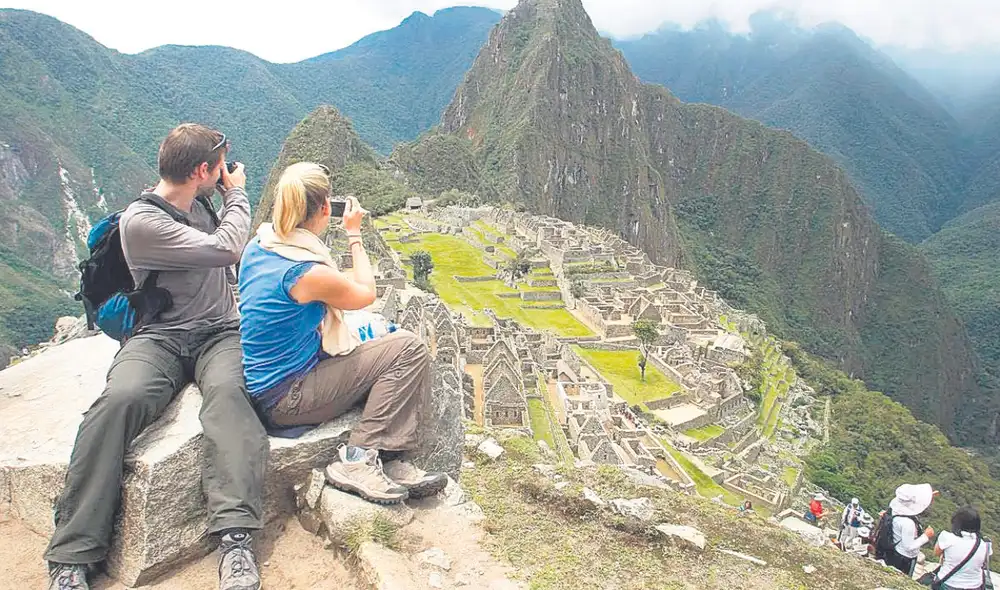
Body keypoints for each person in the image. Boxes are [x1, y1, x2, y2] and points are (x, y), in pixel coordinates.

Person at [44, 124, 268, 590]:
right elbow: (227, 248)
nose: (227, 171)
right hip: (159, 338)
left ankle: (236, 539)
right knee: (118, 402)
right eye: (221, 164)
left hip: (219, 332)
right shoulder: (144, 222)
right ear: (203, 170)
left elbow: (224, 267)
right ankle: (72, 553)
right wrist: (239, 195)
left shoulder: (201, 202)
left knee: (230, 397)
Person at [237, 162, 446, 505]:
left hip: (274, 380)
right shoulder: (305, 272)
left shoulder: (261, 245)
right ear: (323, 209)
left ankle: (391, 458)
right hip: (288, 397)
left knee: (381, 337)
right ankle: (357, 458)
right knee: (408, 349)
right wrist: (354, 234)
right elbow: (366, 292)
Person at [933, 506, 993, 590]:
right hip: (975, 586)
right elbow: (985, 563)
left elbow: (936, 553)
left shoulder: (947, 537)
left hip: (948, 583)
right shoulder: (986, 544)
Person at [884, 483, 936, 577]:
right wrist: (926, 536)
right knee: (902, 577)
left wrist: (929, 497)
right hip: (904, 558)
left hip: (895, 551)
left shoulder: (897, 511)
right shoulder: (908, 523)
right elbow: (908, 546)